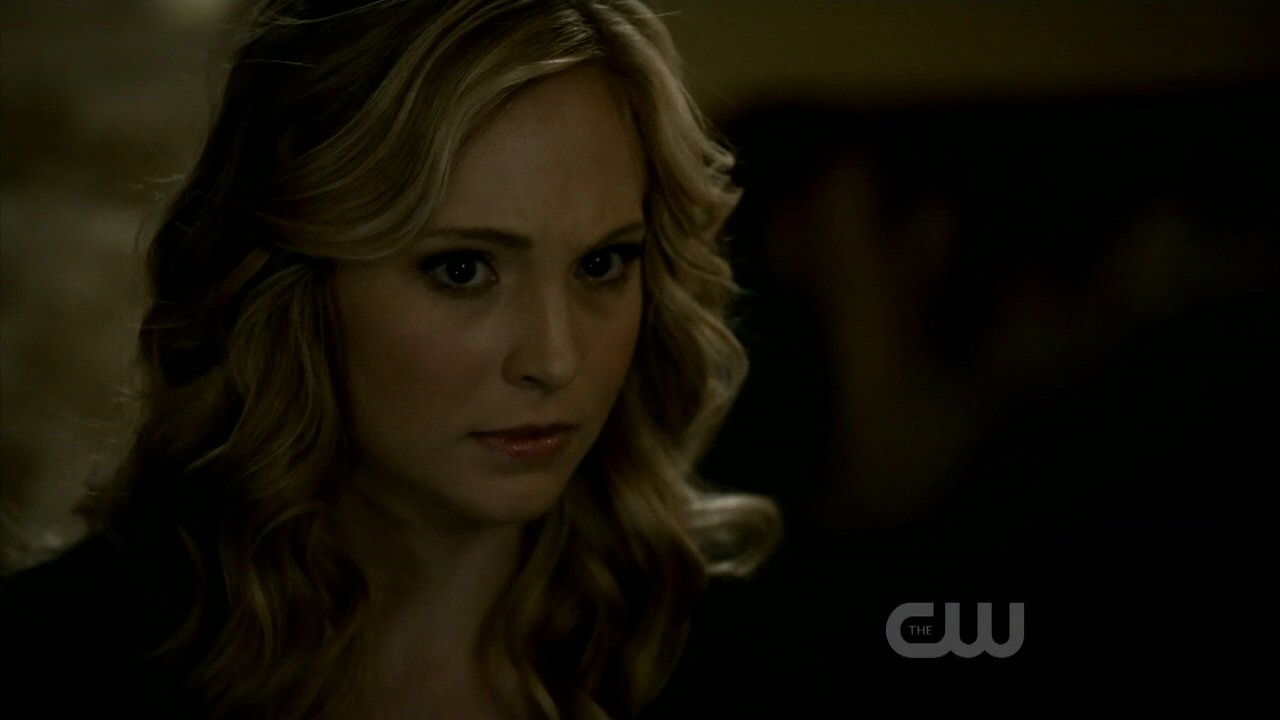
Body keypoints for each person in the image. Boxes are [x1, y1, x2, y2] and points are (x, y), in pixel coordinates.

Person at [0, 0, 780, 718]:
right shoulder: (58, 659)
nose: (556, 358)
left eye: (602, 264)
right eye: (463, 270)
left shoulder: (744, 662)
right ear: (295, 285)